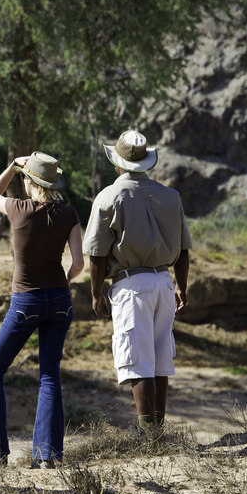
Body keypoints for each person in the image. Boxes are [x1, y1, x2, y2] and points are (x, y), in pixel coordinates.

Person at [0, 152, 84, 469]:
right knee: (49, 375)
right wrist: (63, 280)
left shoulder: (18, 209)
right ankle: (47, 455)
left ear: (29, 183)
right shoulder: (69, 214)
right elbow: (78, 264)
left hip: (26, 301)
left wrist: (11, 166)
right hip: (61, 301)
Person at [83, 130, 191, 429]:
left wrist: (96, 293)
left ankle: (148, 436)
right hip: (164, 283)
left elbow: (97, 253)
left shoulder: (109, 196)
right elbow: (183, 250)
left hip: (131, 285)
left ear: (118, 164)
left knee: (138, 361)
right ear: (146, 163)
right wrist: (181, 286)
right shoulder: (171, 196)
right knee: (159, 362)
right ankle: (157, 432)